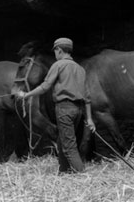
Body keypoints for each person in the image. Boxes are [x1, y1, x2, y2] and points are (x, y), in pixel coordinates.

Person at [14, 37, 95, 173]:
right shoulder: (80, 69)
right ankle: (63, 173)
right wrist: (89, 119)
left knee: (69, 146)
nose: (55, 54)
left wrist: (26, 95)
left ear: (59, 50)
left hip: (64, 109)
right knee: (61, 141)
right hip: (78, 110)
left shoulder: (58, 65)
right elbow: (87, 97)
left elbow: (45, 86)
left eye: (55, 51)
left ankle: (83, 176)